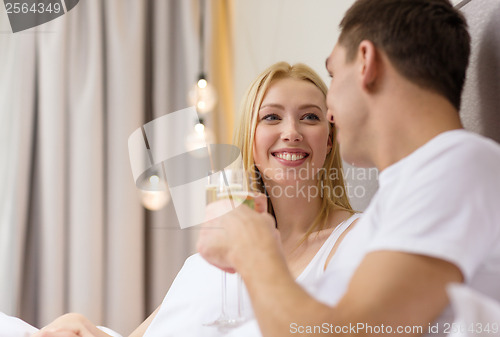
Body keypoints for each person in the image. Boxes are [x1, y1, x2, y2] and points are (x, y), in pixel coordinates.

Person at [197, 0, 500, 336]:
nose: (329, 113)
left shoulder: (457, 165)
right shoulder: (390, 210)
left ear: (366, 63)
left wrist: (251, 244)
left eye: (332, 73)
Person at [31, 62, 359, 337]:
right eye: (271, 117)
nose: (292, 132)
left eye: (310, 117)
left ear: (329, 141)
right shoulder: (214, 258)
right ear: (250, 138)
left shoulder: (358, 241)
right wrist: (86, 330)